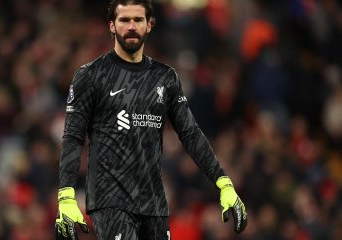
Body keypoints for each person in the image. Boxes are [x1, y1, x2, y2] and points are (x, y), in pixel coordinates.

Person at [54, 0, 247, 239]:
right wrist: (66, 196)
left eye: (138, 20)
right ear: (112, 26)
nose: (132, 26)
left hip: (153, 203)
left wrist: (223, 183)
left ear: (150, 25)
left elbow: (190, 133)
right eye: (124, 20)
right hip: (110, 201)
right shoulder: (91, 76)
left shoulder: (165, 78)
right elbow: (73, 136)